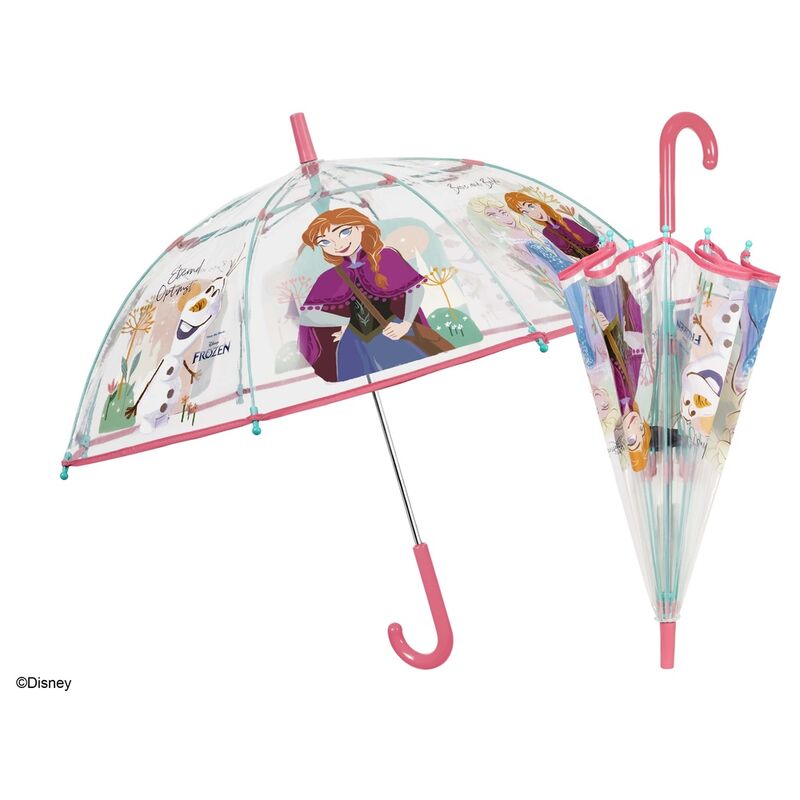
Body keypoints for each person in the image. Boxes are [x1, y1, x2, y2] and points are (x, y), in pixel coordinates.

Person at [297, 208, 433, 382]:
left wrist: (406, 324)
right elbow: (308, 316)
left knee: (415, 376)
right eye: (325, 242)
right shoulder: (329, 277)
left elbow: (415, 289)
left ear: (360, 226)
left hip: (393, 331)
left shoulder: (386, 257)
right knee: (363, 381)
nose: (337, 245)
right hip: (355, 344)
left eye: (344, 232)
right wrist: (343, 321)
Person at [504, 191, 599, 259]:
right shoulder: (547, 233)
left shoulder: (566, 220)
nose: (533, 214)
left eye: (530, 206)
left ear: (538, 204)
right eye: (525, 212)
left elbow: (592, 240)